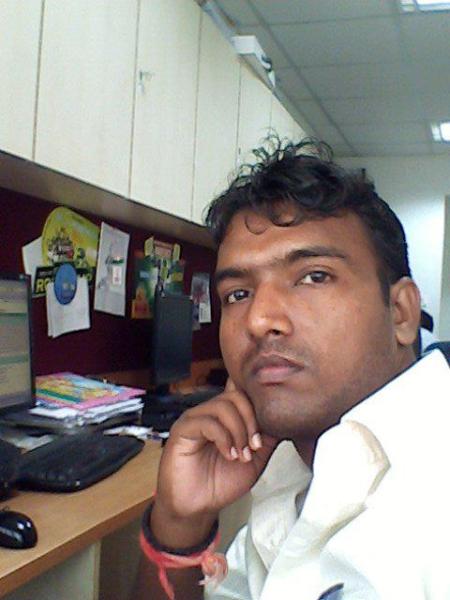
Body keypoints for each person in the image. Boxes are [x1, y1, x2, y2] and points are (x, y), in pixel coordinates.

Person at [132, 138, 450, 600]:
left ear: (401, 312)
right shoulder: (293, 463)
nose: (259, 320)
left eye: (314, 276)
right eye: (238, 294)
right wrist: (179, 526)